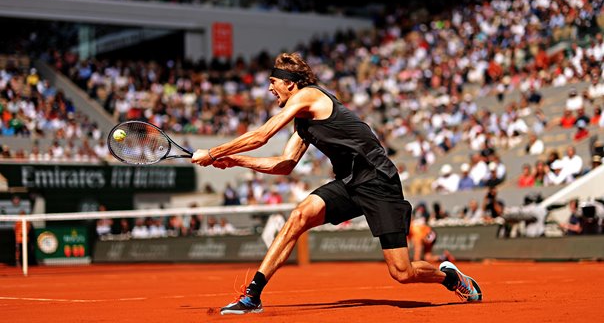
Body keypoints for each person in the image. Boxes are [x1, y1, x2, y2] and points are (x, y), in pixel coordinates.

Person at [192, 53, 482, 314]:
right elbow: (285, 164)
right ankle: (252, 295)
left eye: (273, 82)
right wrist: (236, 161)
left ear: (290, 84)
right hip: (349, 182)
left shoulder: (308, 96)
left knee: (402, 273)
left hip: (379, 181)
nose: (269, 88)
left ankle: (451, 278)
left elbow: (263, 135)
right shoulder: (303, 121)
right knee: (298, 216)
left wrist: (215, 151)